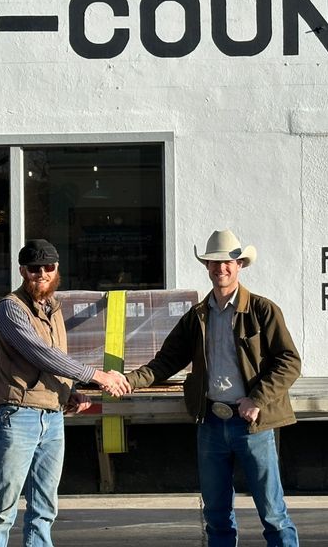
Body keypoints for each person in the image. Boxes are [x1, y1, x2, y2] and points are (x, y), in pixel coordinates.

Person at [124, 229, 301, 547]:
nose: (221, 269)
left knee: (273, 514)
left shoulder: (262, 310)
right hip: (211, 423)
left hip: (252, 425)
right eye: (214, 262)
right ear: (206, 266)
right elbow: (165, 362)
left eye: (228, 262)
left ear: (240, 265)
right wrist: (127, 381)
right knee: (217, 517)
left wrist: (257, 398)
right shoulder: (197, 316)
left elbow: (290, 361)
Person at [0, 239, 130, 547]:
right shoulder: (10, 308)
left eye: (48, 267)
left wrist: (68, 390)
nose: (42, 274)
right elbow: (40, 353)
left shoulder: (54, 307)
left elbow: (56, 357)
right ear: (23, 271)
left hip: (53, 417)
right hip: (19, 416)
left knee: (44, 508)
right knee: (3, 510)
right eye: (35, 269)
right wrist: (95, 376)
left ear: (57, 268)